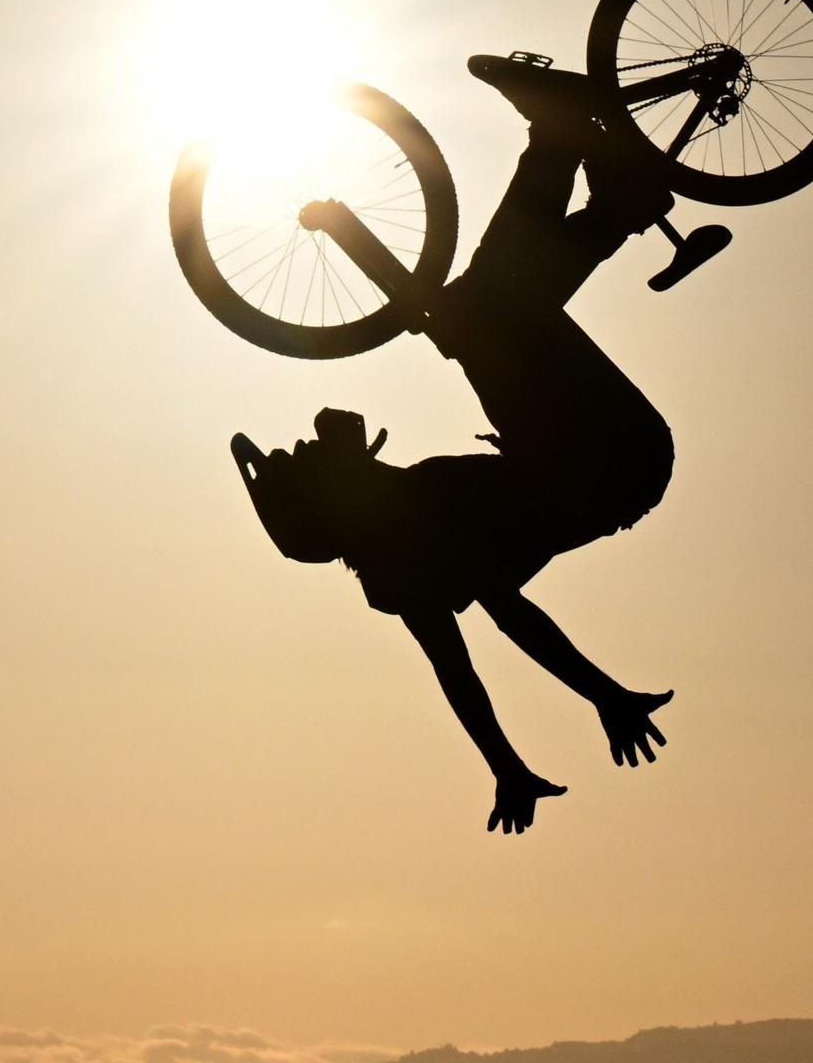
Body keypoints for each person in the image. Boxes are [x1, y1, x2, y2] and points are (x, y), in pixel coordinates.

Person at [232, 55, 682, 833]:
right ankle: (576, 153)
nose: (313, 441)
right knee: (479, 314)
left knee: (476, 309)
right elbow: (497, 636)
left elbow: (462, 665)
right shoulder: (411, 550)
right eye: (311, 460)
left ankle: (591, 173)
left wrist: (516, 761)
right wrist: (598, 699)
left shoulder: (401, 536)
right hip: (608, 458)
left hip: (587, 453)